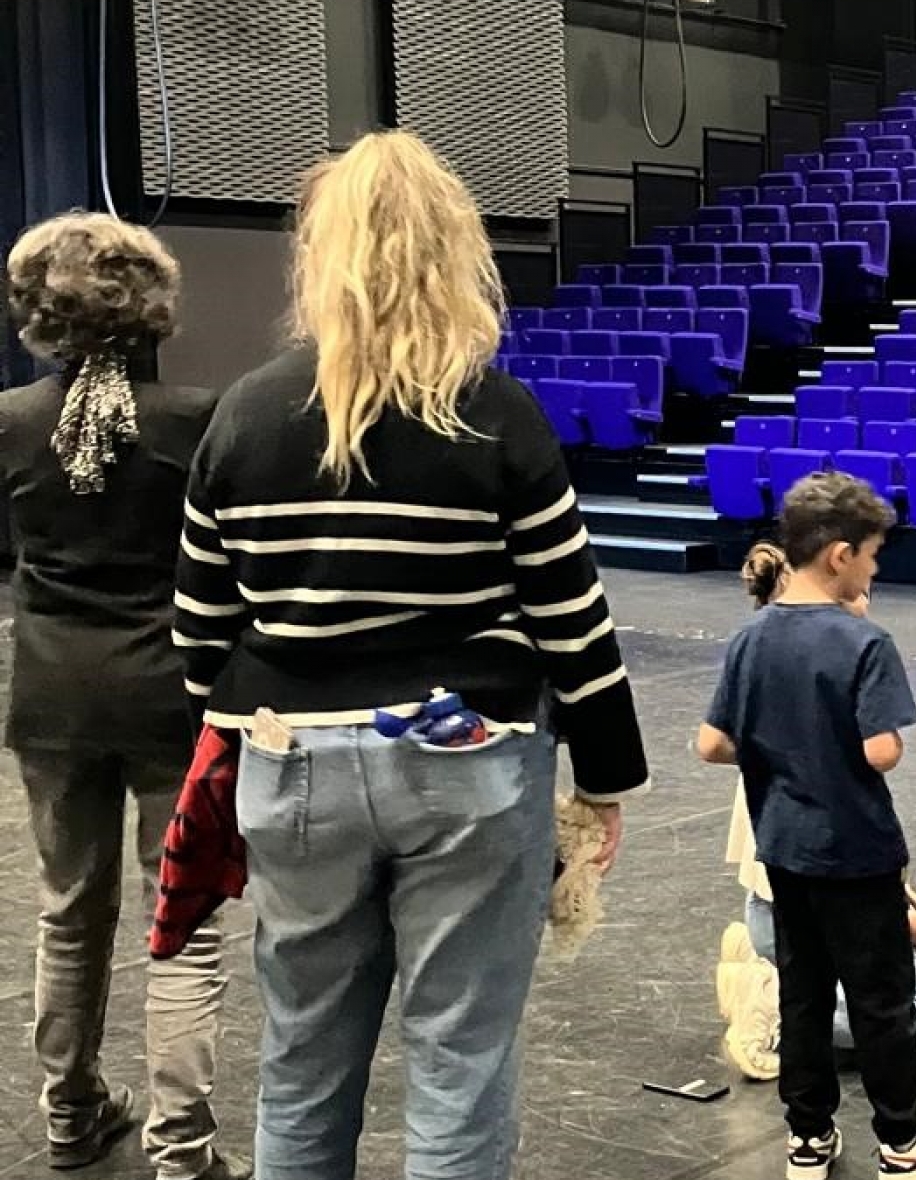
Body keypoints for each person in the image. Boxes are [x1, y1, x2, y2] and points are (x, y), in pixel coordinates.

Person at [171, 131, 647, 1180]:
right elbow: (573, 619)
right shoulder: (498, 412)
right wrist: (607, 776)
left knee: (299, 1056)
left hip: (290, 763)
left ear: (319, 253)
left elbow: (200, 634)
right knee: (460, 1060)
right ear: (454, 251)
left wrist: (242, 727)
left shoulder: (241, 415)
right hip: (469, 760)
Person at [0, 213, 242, 1180]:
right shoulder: (198, 418)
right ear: (154, 312)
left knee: (68, 909)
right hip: (170, 698)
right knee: (179, 918)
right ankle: (183, 1150)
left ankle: (72, 1115)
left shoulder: (8, 424)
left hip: (50, 697)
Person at [696, 473, 916, 1180]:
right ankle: (904, 1145)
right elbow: (879, 751)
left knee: (804, 996)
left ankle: (808, 1138)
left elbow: (711, 745)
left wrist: (780, 743)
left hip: (784, 850)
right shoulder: (863, 642)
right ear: (838, 556)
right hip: (856, 853)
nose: (875, 567)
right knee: (881, 1003)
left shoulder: (749, 639)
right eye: (871, 554)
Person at [716, 543, 916, 1083]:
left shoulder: (770, 675)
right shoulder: (842, 678)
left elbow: (714, 745)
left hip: (800, 899)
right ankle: (772, 998)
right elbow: (812, 855)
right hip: (808, 908)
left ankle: (765, 963)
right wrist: (891, 923)